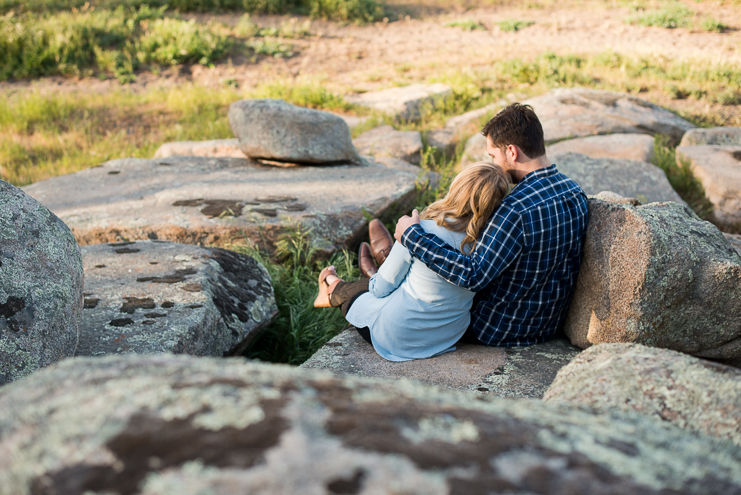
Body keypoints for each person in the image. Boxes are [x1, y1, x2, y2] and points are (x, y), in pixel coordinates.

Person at [395, 103, 588, 347]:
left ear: (512, 152)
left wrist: (413, 237)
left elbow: (473, 274)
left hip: (497, 329)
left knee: (421, 273)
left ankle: (384, 266)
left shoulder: (515, 209)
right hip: (547, 325)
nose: (494, 164)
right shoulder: (574, 191)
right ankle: (383, 264)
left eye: (493, 156)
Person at [314, 162, 511, 361]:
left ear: (456, 190)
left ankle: (332, 285)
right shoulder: (490, 245)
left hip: (397, 337)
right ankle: (378, 266)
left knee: (366, 291)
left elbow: (379, 290)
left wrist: (383, 276)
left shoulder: (420, 231)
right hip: (446, 337)